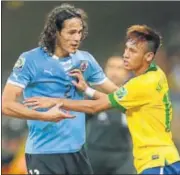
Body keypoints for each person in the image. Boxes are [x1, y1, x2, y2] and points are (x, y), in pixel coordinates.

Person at [25, 25, 180, 174]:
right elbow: (118, 100)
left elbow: (95, 107)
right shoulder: (155, 74)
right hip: (157, 159)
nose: (126, 54)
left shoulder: (141, 84)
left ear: (148, 56)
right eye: (126, 48)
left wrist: (56, 101)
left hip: (157, 161)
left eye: (133, 51)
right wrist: (87, 89)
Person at [2, 3, 118, 174]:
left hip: (77, 153)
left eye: (80, 32)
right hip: (44, 153)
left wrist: (87, 89)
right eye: (71, 32)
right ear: (55, 32)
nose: (77, 38)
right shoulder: (30, 60)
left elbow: (118, 95)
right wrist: (43, 116)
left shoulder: (85, 61)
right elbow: (6, 105)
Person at [86, 56, 135, 174]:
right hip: (94, 154)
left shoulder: (134, 98)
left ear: (128, 74)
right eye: (111, 67)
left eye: (119, 68)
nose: (114, 72)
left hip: (123, 156)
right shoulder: (92, 95)